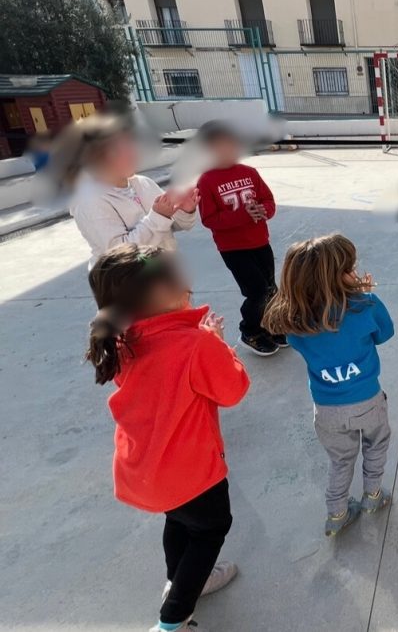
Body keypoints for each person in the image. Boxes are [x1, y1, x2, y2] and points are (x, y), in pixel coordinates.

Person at [85, 244, 250, 632]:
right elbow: (233, 390)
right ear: (160, 293)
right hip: (193, 474)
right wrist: (218, 344)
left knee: (179, 522)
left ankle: (180, 581)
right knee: (210, 530)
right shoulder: (196, 344)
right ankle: (173, 619)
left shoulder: (123, 341)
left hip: (148, 472)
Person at [263, 234, 395, 538]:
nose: (355, 272)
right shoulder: (364, 305)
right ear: (338, 277)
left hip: (326, 409)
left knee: (340, 460)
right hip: (368, 400)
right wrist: (364, 295)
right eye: (350, 268)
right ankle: (373, 496)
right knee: (376, 445)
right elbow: (385, 333)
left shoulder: (295, 318)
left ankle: (336, 513)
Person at [66, 113, 198, 269]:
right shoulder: (88, 201)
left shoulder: (143, 183)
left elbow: (169, 226)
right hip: (132, 279)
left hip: (164, 270)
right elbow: (120, 253)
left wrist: (184, 211)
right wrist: (159, 216)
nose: (132, 154)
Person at [195, 121, 282, 356]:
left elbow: (268, 200)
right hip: (233, 249)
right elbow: (210, 219)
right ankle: (250, 331)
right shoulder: (207, 180)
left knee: (271, 288)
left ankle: (271, 326)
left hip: (260, 241)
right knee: (257, 292)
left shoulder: (250, 173)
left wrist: (264, 210)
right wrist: (243, 214)